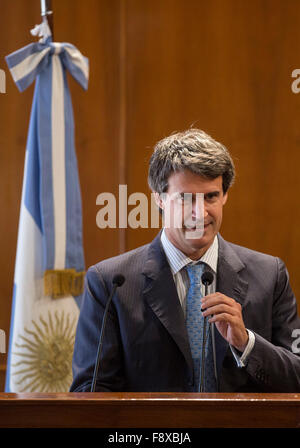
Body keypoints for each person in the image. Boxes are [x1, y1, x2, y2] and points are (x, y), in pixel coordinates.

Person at [70, 128, 300, 392]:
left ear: (225, 195)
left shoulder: (270, 275)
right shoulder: (111, 283)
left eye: (210, 196)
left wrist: (246, 343)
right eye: (186, 198)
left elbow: (297, 376)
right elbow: (91, 390)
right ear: (159, 198)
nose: (199, 213)